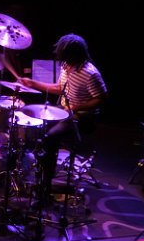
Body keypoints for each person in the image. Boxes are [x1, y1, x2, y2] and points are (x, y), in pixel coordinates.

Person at [19, 33, 108, 186]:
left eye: (66, 55)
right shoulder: (66, 66)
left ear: (76, 54)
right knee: (35, 125)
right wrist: (33, 83)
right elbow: (60, 88)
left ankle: (46, 181)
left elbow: (101, 98)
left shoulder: (90, 74)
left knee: (51, 136)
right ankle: (38, 165)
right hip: (65, 110)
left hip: (83, 116)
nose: (63, 59)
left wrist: (75, 107)